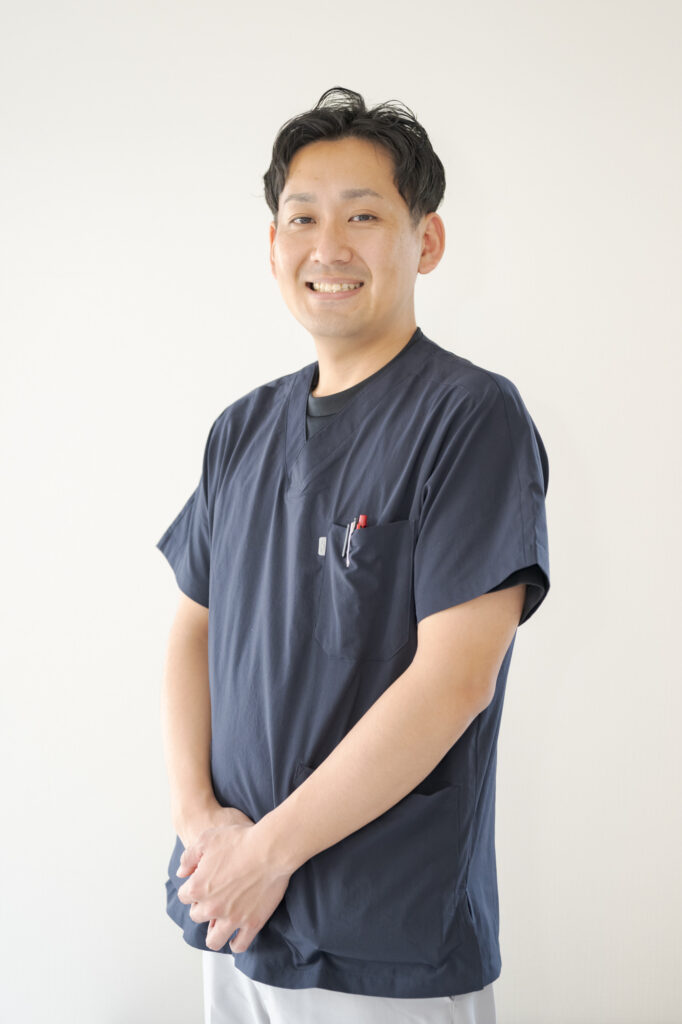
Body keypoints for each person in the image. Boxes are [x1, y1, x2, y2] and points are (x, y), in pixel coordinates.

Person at [156, 86, 551, 1024]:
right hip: (234, 914)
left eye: (364, 216)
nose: (328, 246)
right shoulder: (242, 431)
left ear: (427, 241)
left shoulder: (469, 418)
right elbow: (190, 635)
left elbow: (454, 682)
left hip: (384, 942)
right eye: (303, 218)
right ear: (273, 245)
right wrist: (201, 823)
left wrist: (268, 854)